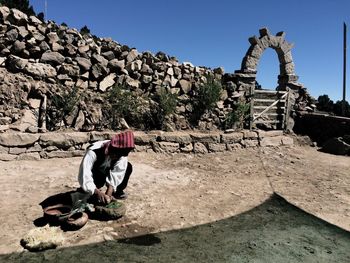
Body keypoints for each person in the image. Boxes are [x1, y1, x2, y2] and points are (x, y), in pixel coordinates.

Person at [77, 130, 134, 205]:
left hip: (107, 170)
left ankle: (117, 192)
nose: (117, 157)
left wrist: (108, 193)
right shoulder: (93, 151)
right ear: (112, 149)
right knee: (88, 193)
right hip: (97, 172)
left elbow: (117, 173)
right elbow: (85, 173)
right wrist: (96, 192)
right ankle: (90, 189)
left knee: (128, 166)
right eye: (116, 154)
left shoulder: (122, 152)